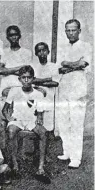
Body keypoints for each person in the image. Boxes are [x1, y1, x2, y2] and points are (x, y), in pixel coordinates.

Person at [55, 19, 92, 168]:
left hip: (78, 89)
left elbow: (84, 64)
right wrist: (74, 64)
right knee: (64, 122)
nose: (70, 33)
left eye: (73, 30)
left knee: (76, 124)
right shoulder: (62, 47)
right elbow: (60, 67)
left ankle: (76, 158)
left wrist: (68, 64)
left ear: (79, 31)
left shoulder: (86, 46)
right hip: (64, 87)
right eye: (68, 30)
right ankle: (67, 151)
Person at [2, 65, 47, 177]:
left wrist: (39, 121)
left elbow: (40, 113)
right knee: (11, 131)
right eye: (23, 77)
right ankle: (15, 164)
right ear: (19, 79)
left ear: (33, 78)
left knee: (43, 132)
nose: (26, 80)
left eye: (29, 77)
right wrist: (9, 118)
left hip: (31, 120)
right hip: (17, 120)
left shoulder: (38, 94)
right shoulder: (14, 91)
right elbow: (5, 110)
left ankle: (41, 167)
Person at [0, 25, 32, 118]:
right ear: (7, 37)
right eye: (11, 35)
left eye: (16, 34)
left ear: (19, 36)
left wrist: (8, 70)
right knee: (4, 114)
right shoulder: (4, 52)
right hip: (6, 85)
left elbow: (26, 72)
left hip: (20, 85)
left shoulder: (27, 52)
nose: (14, 37)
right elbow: (0, 70)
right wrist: (20, 67)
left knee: (19, 114)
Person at [31, 42, 60, 135]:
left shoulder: (54, 66)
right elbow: (31, 80)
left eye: (44, 50)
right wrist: (48, 79)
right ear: (36, 53)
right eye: (39, 51)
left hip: (49, 98)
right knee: (35, 127)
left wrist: (38, 81)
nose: (42, 53)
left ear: (48, 51)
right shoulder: (33, 67)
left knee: (48, 128)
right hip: (35, 98)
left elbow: (55, 82)